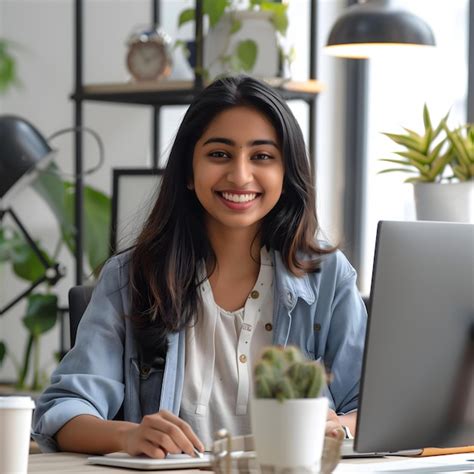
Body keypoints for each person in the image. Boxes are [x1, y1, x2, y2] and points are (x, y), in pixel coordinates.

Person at [32, 75, 367, 457]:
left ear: (286, 173)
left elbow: (372, 407)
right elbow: (64, 412)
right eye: (219, 154)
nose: (240, 175)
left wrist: (338, 426)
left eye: (262, 156)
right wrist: (128, 436)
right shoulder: (131, 277)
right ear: (189, 172)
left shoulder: (328, 275)